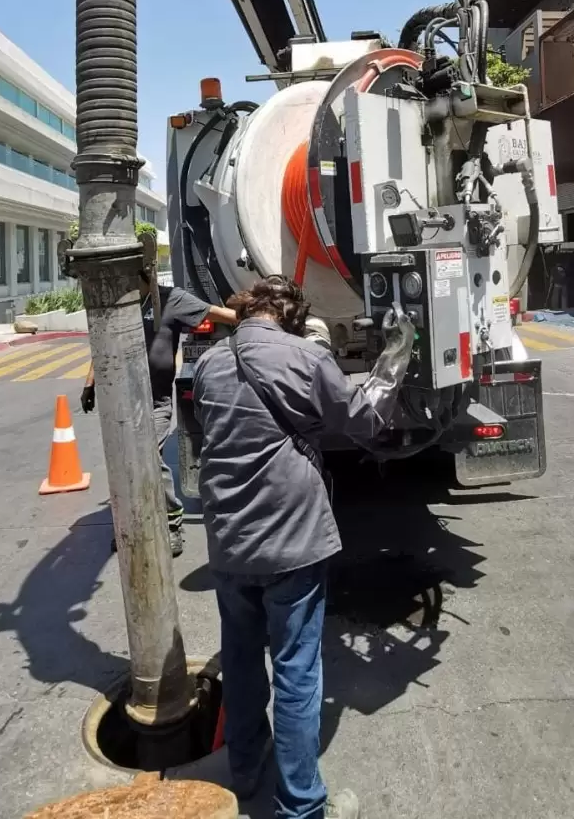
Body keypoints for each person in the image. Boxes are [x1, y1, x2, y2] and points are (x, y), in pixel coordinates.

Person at [193, 275, 415, 819]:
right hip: (291, 540)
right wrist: (396, 356)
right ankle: (302, 805)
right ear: (291, 318)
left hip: (228, 542)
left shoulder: (208, 365)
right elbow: (363, 421)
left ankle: (245, 773)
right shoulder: (304, 358)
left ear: (246, 313)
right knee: (296, 671)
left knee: (242, 664)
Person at [81, 272, 236, 556]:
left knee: (148, 456)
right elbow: (100, 345)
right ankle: (131, 526)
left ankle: (171, 523)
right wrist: (89, 384)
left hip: (155, 401)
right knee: (126, 463)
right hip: (120, 401)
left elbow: (220, 314)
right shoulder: (115, 305)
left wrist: (263, 324)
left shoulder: (170, 299)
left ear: (144, 274)